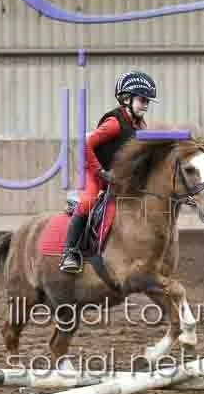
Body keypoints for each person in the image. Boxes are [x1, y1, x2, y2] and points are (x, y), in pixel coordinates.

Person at [59, 70, 155, 273]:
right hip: (95, 172)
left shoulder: (140, 125)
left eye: (147, 101)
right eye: (142, 100)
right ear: (126, 99)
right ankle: (70, 252)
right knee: (87, 203)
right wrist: (101, 172)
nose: (146, 105)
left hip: (118, 177)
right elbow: (86, 144)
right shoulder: (114, 124)